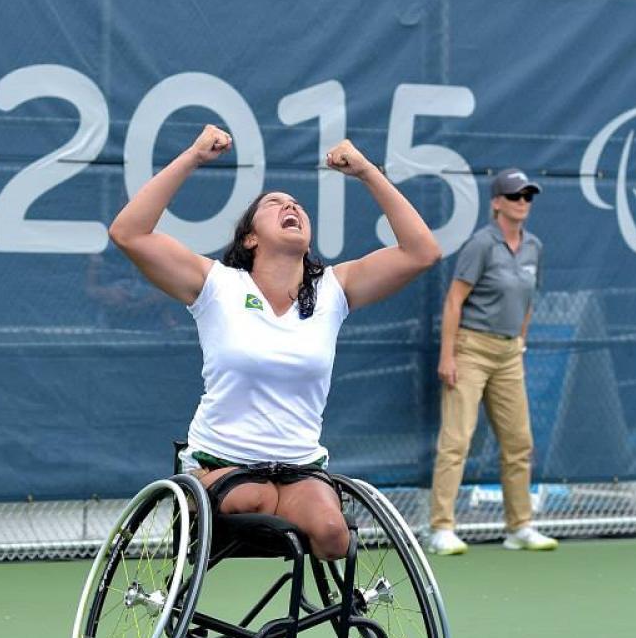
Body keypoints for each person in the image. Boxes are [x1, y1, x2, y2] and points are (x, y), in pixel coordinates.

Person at [109, 124, 441, 560]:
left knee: (332, 535)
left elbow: (422, 252)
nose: (291, 206)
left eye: (297, 205)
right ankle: (215, 493)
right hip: (222, 461)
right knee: (251, 500)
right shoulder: (216, 285)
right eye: (275, 204)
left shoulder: (333, 290)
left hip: (299, 467)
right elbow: (128, 233)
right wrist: (193, 157)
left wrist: (365, 172)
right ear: (250, 237)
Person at [427, 168, 558, 554]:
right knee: (456, 441)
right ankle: (441, 529)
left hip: (508, 355)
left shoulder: (534, 246)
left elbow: (529, 299)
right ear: (497, 203)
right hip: (471, 350)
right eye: (515, 196)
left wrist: (520, 340)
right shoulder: (481, 244)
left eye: (527, 197)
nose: (522, 203)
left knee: (519, 443)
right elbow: (454, 300)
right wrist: (448, 355)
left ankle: (519, 527)